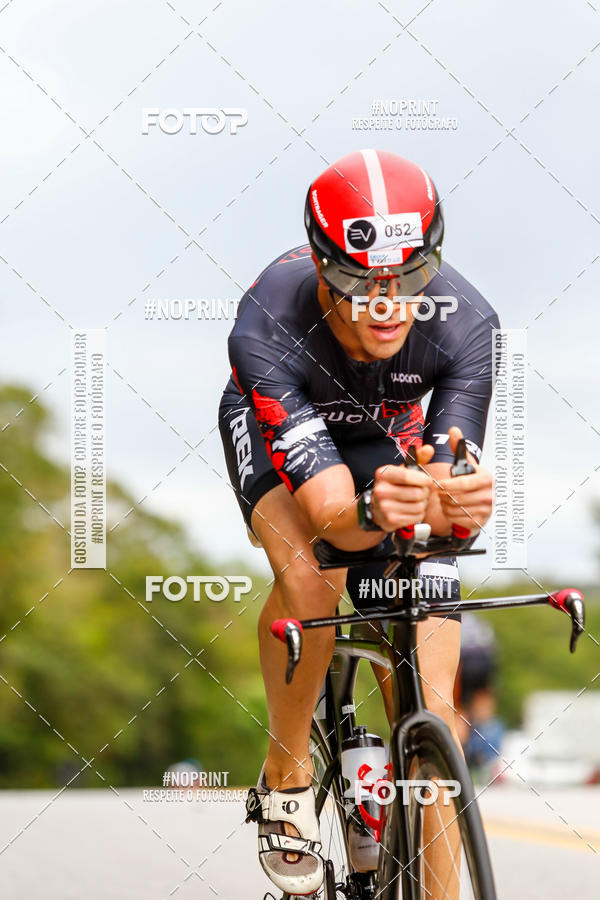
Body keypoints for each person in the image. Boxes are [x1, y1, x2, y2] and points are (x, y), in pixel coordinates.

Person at [219, 148, 497, 896]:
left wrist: (454, 501)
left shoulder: (468, 324)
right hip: (291, 442)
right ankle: (287, 771)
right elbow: (334, 517)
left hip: (386, 439)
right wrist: (377, 509)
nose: (386, 305)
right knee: (315, 573)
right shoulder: (266, 324)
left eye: (409, 278)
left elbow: (443, 478)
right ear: (321, 266)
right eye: (358, 280)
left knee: (435, 713)